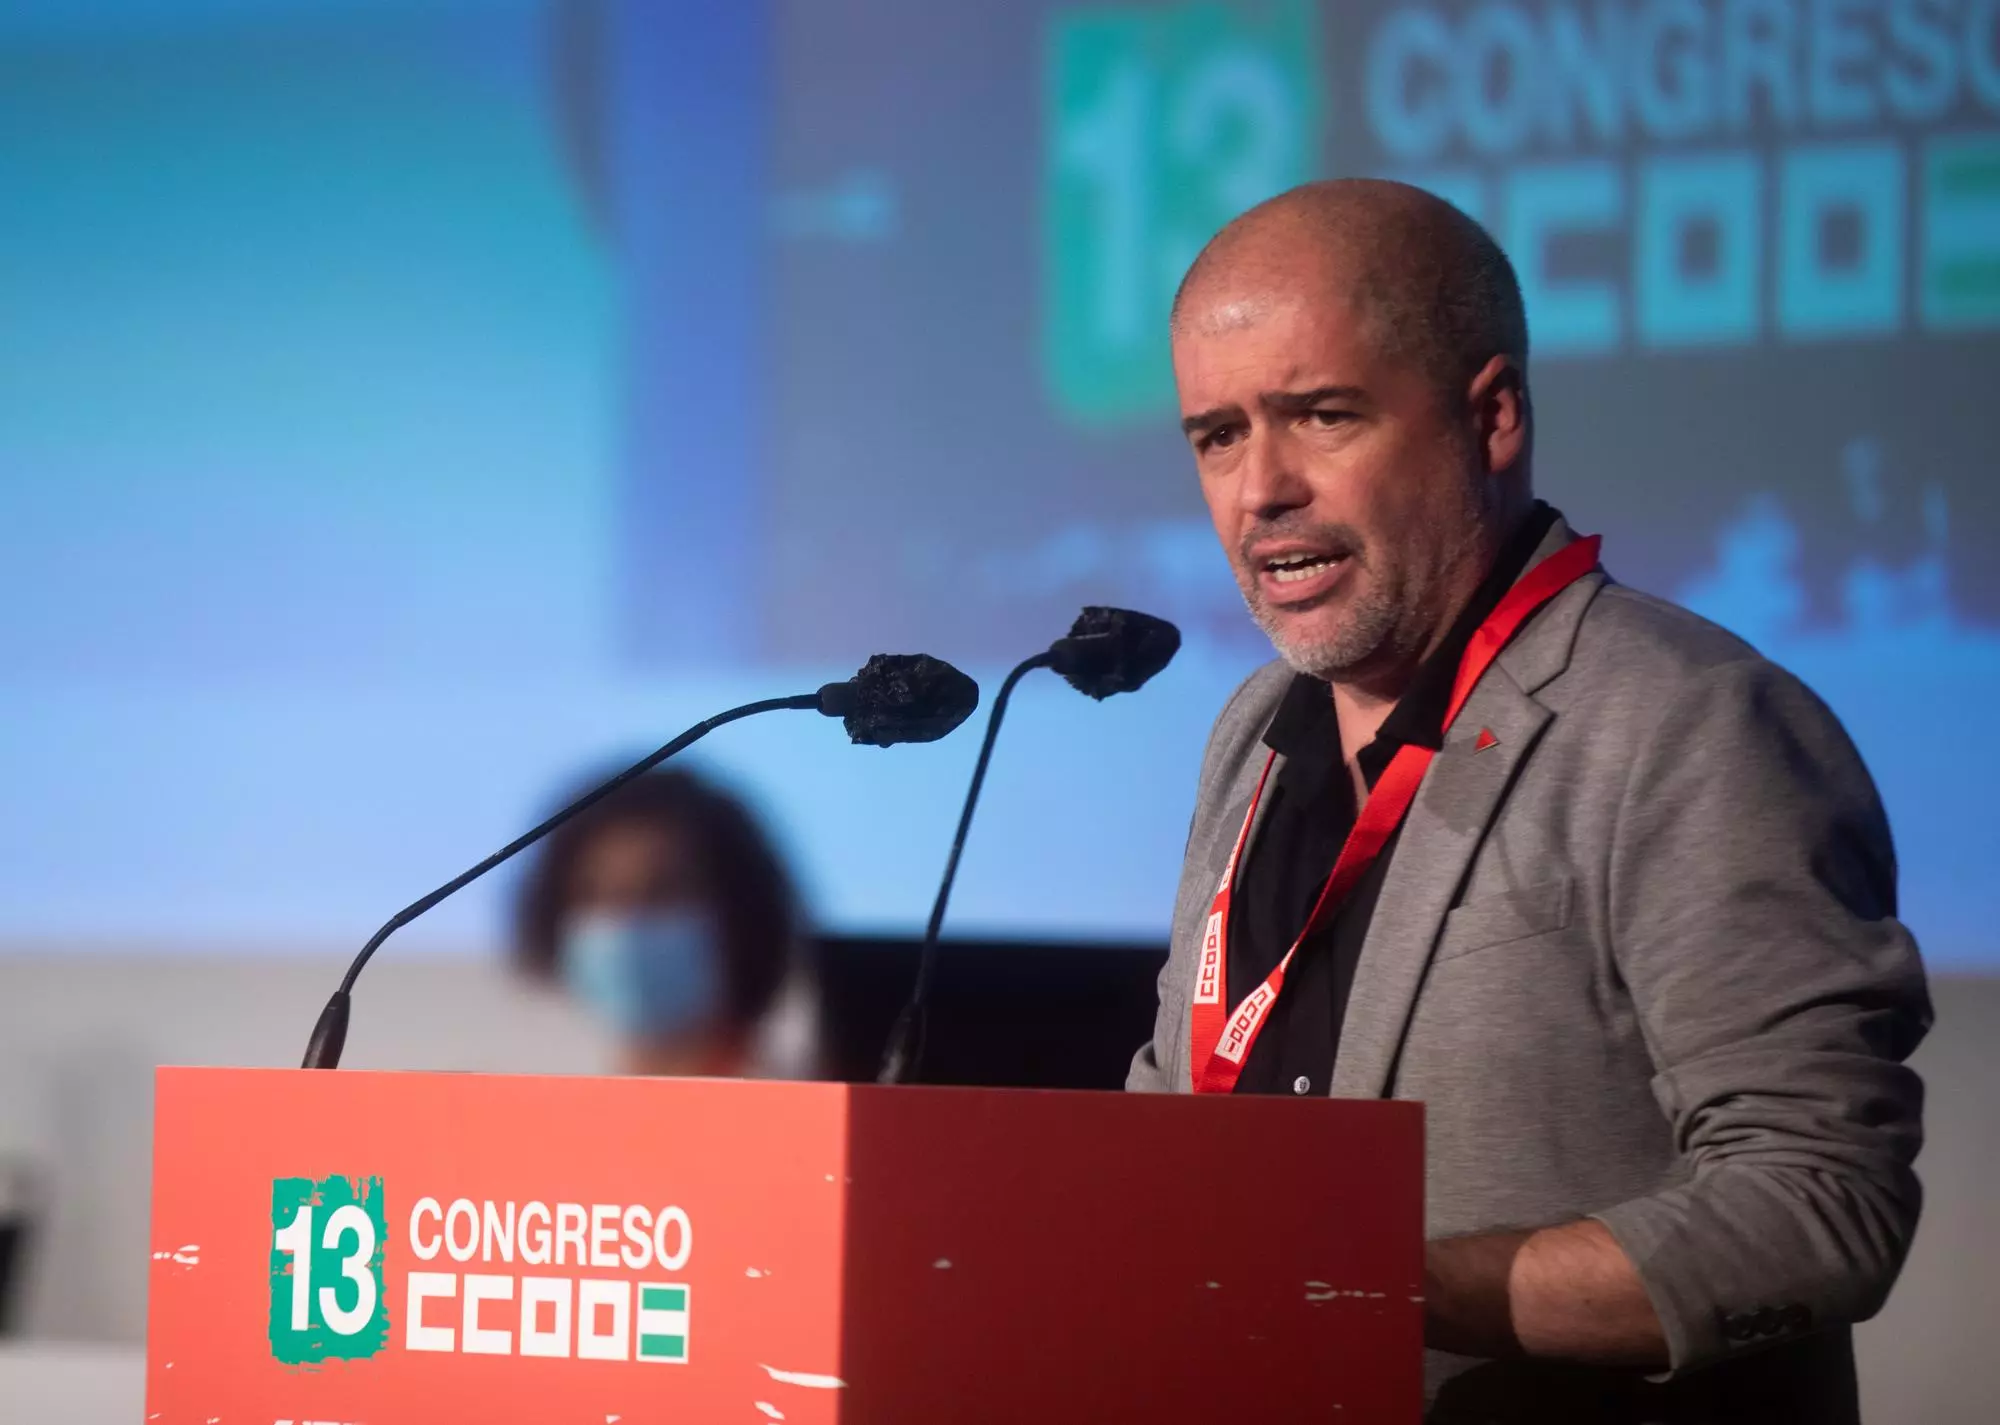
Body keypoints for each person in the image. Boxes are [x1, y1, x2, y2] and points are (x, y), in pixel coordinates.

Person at [1127, 179, 1930, 1423]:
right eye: (1217, 436)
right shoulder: (1250, 736)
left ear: (1490, 417)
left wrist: (1374, 1286)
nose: (1259, 488)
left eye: (1321, 415)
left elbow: (1817, 1206)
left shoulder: (1690, 724)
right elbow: (1173, 1115)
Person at [514, 766, 820, 1079]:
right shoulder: (558, 1099)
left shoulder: (803, 1103)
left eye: (662, 890)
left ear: (741, 912)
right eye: (593, 893)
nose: (626, 920)